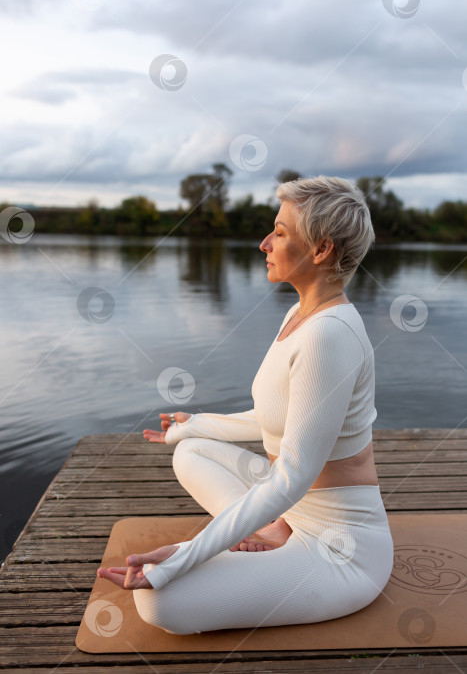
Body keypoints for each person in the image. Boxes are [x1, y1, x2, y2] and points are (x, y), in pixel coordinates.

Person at [98, 175, 394, 635]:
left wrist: (187, 555)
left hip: (339, 547)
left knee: (159, 604)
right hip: (291, 509)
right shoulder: (299, 315)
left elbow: (292, 476)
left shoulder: (329, 335)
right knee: (190, 450)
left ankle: (271, 532)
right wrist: (194, 424)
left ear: (321, 250)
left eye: (279, 231)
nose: (263, 243)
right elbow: (274, 418)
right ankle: (273, 530)